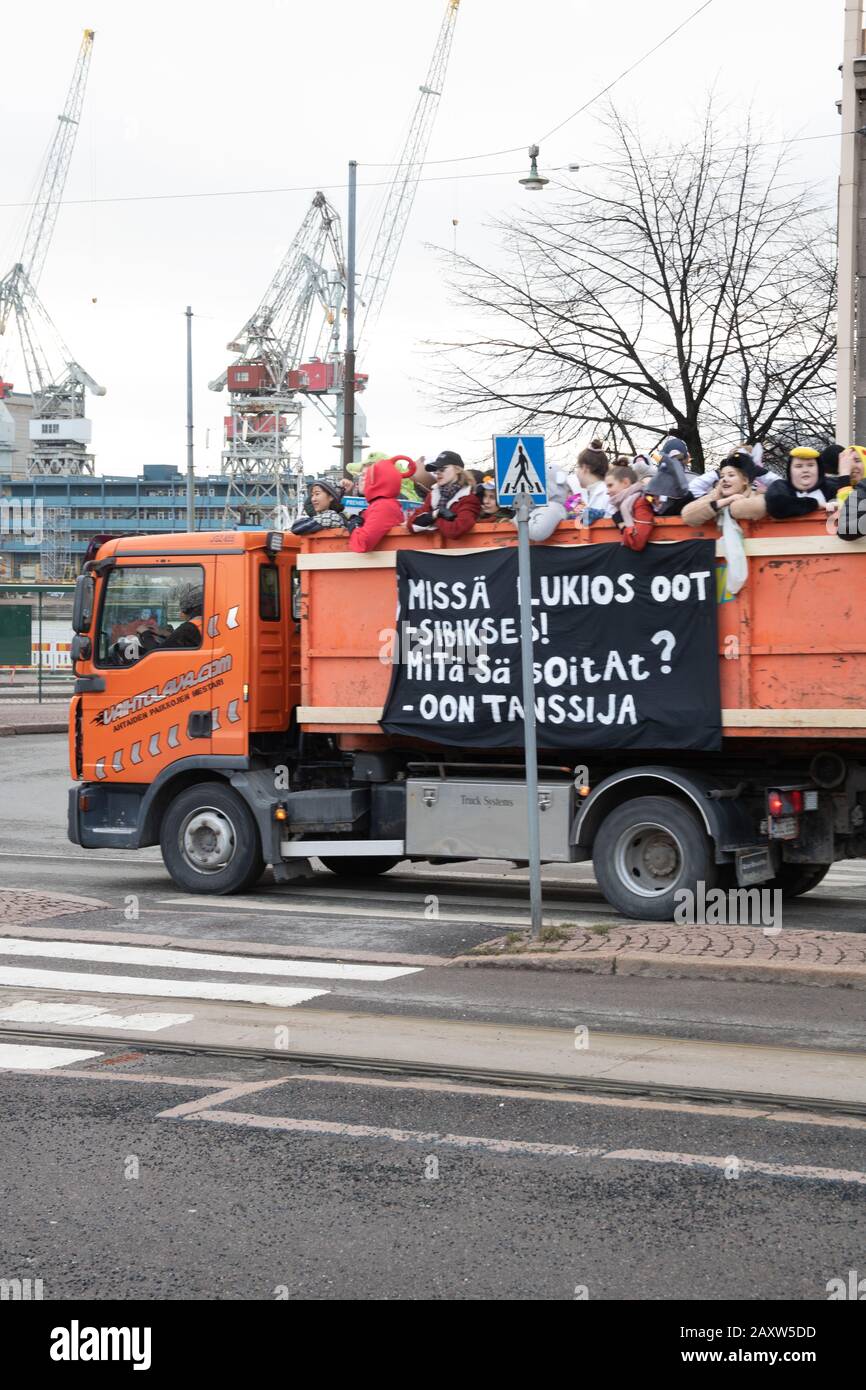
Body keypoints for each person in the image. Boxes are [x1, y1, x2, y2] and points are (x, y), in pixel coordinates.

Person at [346, 455, 416, 553]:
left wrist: (354, 526)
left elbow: (362, 543)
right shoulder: (382, 503)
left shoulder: (383, 506)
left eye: (365, 475)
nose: (361, 479)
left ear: (378, 479)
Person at [407, 451, 481, 538]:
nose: (437, 472)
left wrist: (430, 520)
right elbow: (412, 525)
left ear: (457, 470)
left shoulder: (469, 497)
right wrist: (437, 513)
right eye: (435, 469)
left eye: (442, 469)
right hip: (434, 550)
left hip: (462, 550)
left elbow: (456, 530)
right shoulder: (432, 495)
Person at [681, 453, 768, 526]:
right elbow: (687, 515)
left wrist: (726, 508)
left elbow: (758, 507)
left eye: (731, 475)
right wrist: (723, 502)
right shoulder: (715, 495)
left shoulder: (757, 494)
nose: (724, 479)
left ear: (745, 480)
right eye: (722, 476)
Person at [765, 446, 842, 520]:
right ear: (790, 470)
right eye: (799, 466)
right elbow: (776, 505)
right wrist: (816, 504)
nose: (805, 470)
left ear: (819, 468)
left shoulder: (832, 486)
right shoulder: (780, 486)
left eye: (810, 465)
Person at [606, 464, 655, 551]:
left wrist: (622, 525)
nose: (607, 491)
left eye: (610, 485)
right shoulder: (618, 507)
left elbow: (638, 543)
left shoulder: (641, 503)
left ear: (625, 483)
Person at [569, 439, 611, 518]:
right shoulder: (584, 493)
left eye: (578, 467)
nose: (576, 472)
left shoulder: (608, 494)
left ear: (584, 468)